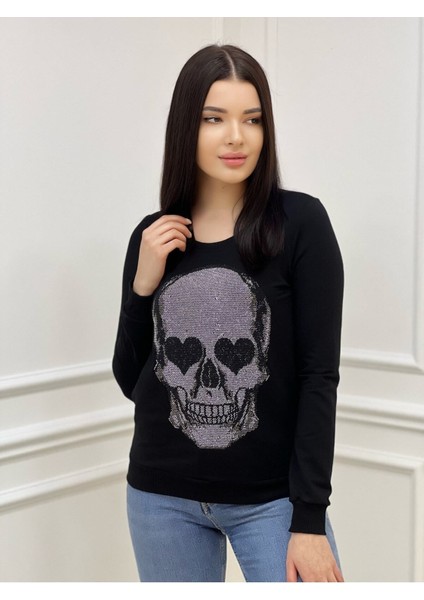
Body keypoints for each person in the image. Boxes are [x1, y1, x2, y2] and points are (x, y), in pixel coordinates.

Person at [112, 43, 345, 583]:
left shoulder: (301, 224)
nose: (237, 136)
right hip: (160, 498)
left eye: (252, 119)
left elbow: (319, 376)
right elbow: (130, 378)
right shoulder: (154, 236)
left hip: (274, 501)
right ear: (185, 127)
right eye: (214, 118)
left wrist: (310, 520)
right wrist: (143, 287)